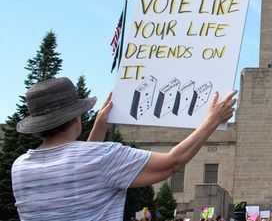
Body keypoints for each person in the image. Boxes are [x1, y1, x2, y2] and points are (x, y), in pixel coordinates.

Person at [11, 76, 236, 220]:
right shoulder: (103, 156)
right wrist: (212, 121)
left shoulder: (19, 167)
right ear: (77, 117)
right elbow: (172, 163)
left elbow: (80, 173)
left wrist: (98, 129)